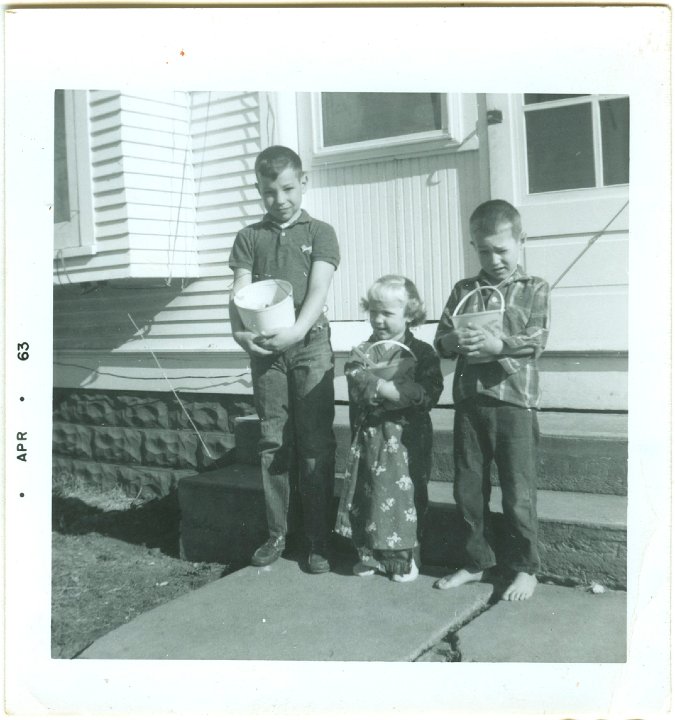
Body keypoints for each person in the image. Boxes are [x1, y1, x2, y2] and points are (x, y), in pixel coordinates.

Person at [229, 145, 340, 574]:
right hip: (267, 352)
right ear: (259, 191)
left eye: (288, 189)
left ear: (304, 183)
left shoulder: (321, 232)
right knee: (274, 440)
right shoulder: (249, 238)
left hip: (309, 343)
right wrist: (240, 335)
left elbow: (317, 291)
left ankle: (317, 538)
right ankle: (278, 532)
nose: (280, 200)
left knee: (314, 442)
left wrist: (295, 331)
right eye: (269, 193)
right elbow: (239, 294)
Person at [434, 199, 550, 601]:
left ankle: (526, 567)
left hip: (514, 404)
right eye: (484, 250)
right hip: (470, 403)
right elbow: (441, 341)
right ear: (474, 247)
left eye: (502, 249)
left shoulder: (534, 288)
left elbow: (536, 339)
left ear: (520, 241)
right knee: (468, 488)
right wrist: (456, 339)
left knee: (518, 491)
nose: (494, 258)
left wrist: (499, 344)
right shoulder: (465, 291)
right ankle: (476, 561)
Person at [335, 275, 443, 582]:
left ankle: (406, 557)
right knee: (368, 491)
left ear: (409, 314)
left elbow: (431, 388)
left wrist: (401, 392)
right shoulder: (364, 350)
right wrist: (381, 386)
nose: (378, 320)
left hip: (408, 437)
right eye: (373, 312)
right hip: (373, 434)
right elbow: (355, 376)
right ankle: (371, 554)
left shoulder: (421, 352)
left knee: (406, 494)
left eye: (388, 313)